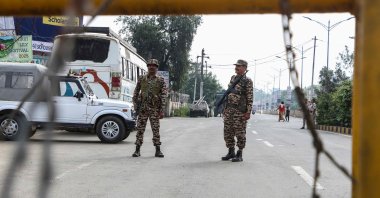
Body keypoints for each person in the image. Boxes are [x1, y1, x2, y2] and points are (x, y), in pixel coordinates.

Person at [132, 59, 167, 158]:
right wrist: (135, 104)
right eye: (150, 65)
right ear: (147, 67)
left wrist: (161, 110)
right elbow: (136, 92)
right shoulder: (142, 78)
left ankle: (158, 150)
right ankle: (137, 150)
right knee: (140, 129)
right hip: (143, 108)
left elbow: (164, 95)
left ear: (157, 68)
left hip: (154, 109)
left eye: (154, 66)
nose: (151, 67)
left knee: (156, 129)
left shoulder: (160, 80)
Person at [221, 59, 253, 162]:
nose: (236, 67)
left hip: (240, 111)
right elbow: (228, 95)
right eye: (236, 66)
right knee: (227, 132)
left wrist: (248, 112)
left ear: (244, 68)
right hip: (229, 110)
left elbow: (250, 97)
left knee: (240, 133)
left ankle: (239, 154)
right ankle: (231, 152)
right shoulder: (233, 78)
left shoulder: (247, 81)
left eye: (239, 66)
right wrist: (225, 108)